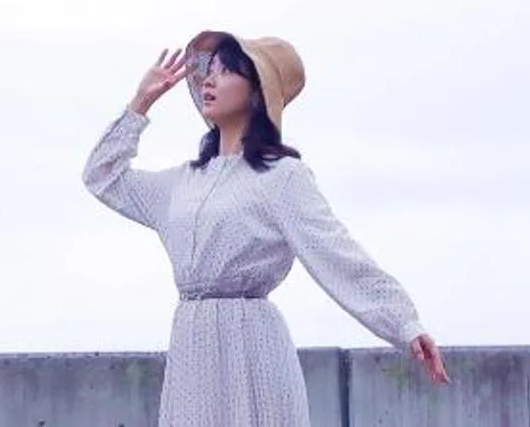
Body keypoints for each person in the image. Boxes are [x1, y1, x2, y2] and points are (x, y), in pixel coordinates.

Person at [86, 30, 449, 425]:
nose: (208, 80)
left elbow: (336, 253)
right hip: (192, 347)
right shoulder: (180, 184)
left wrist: (403, 324)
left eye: (225, 72)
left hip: (253, 343)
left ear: (257, 93)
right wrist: (141, 103)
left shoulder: (282, 177)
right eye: (209, 72)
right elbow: (102, 176)